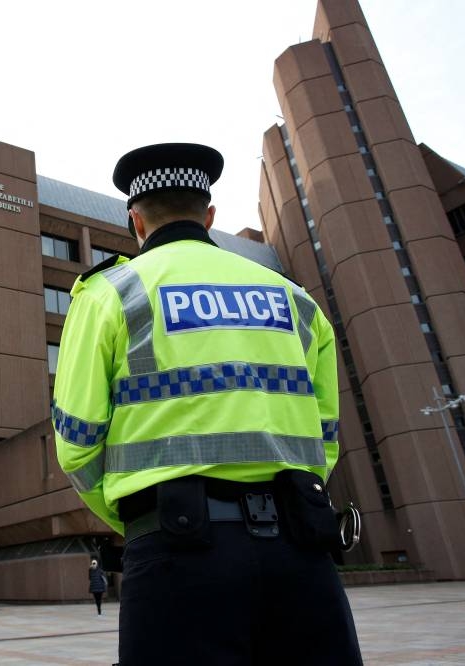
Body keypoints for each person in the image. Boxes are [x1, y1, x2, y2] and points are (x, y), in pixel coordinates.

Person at [53, 143, 363, 665]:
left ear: (136, 222)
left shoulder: (112, 293)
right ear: (210, 215)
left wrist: (135, 512)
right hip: (301, 551)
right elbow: (324, 434)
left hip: (177, 550)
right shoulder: (294, 299)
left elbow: (76, 442)